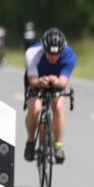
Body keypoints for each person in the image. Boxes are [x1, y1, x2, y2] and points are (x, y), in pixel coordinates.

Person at [24, 28, 77, 164]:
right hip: (37, 79)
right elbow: (33, 81)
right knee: (35, 109)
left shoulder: (70, 55)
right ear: (44, 49)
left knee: (58, 106)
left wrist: (56, 81)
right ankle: (30, 141)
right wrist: (40, 82)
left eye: (56, 54)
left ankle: (58, 146)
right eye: (49, 54)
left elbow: (63, 82)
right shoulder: (33, 53)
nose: (53, 57)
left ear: (62, 50)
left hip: (57, 80)